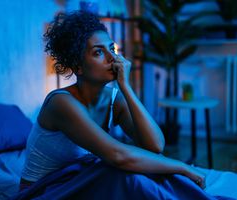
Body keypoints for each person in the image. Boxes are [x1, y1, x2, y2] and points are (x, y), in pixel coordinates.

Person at [16, 10, 222, 200]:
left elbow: (155, 145)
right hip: (45, 191)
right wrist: (181, 166)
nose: (112, 58)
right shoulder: (61, 103)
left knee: (148, 171)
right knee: (124, 174)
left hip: (78, 179)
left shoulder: (114, 99)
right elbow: (118, 155)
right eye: (98, 52)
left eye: (112, 49)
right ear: (78, 66)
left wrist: (126, 88)